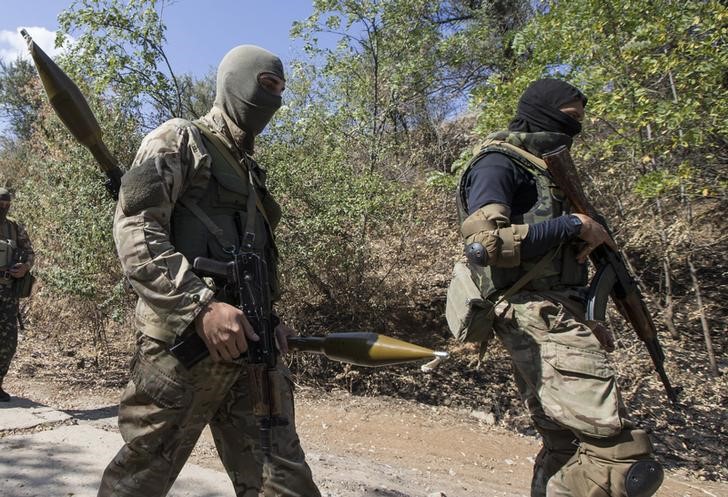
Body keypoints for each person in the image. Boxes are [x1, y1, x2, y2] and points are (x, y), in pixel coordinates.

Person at [98, 46, 321, 497]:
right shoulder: (179, 139)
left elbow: (252, 257)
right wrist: (200, 307)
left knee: (283, 481)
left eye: (280, 89)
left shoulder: (250, 170)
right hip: (183, 352)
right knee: (139, 480)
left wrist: (270, 318)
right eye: (265, 85)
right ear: (235, 81)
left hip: (251, 348)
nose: (274, 98)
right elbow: (136, 232)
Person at [456, 79, 663, 497]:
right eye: (570, 118)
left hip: (559, 315)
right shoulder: (499, 164)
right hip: (535, 317)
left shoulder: (543, 167)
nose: (576, 127)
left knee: (566, 445)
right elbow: (485, 245)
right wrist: (574, 224)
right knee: (618, 457)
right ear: (542, 112)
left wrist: (589, 319)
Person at [0, 187, 34, 402]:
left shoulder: (14, 228)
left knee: (8, 341)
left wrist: (25, 267)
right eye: (0, 203)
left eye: (7, 204)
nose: (3, 207)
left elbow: (30, 253)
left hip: (7, 293)